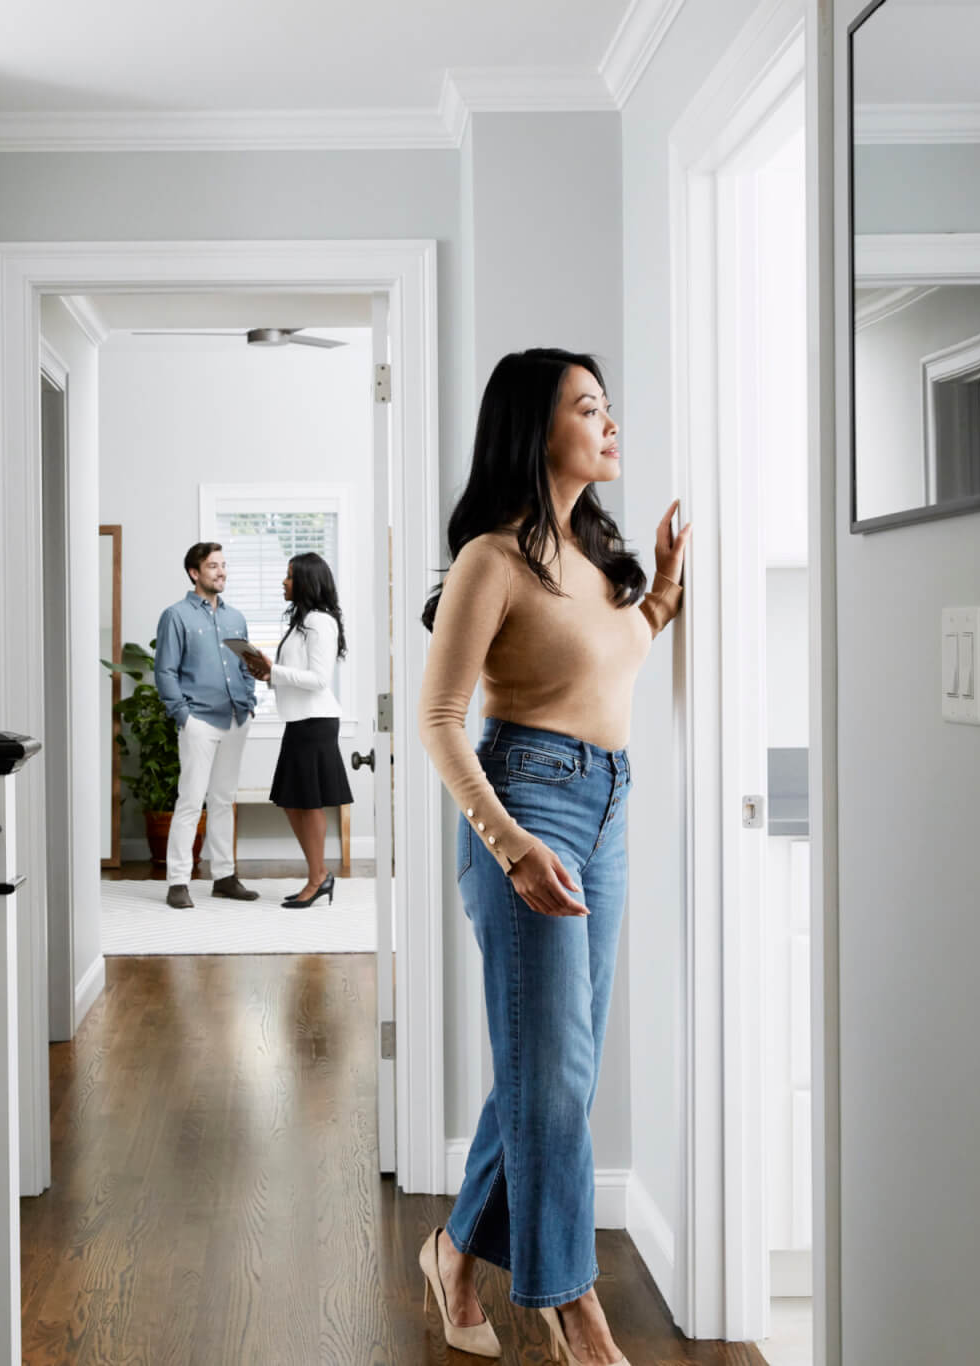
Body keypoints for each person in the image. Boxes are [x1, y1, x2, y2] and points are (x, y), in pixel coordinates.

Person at [413, 348, 689, 1365]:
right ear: (536, 431)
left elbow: (617, 650)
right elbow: (439, 718)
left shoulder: (590, 554)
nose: (610, 423)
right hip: (523, 801)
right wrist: (511, 841)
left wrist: (659, 588)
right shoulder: (492, 559)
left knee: (553, 1066)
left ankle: (451, 1249)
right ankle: (572, 1310)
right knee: (552, 1071)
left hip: (608, 808)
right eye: (588, 408)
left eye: (608, 406)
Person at [152, 542, 262, 909]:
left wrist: (248, 701)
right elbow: (165, 671)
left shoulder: (235, 619)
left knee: (223, 800)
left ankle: (224, 877)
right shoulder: (176, 616)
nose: (221, 572)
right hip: (198, 719)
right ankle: (178, 882)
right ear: (194, 573)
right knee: (190, 800)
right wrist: (183, 715)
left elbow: (248, 665)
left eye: (224, 565)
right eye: (213, 566)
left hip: (235, 718)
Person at [242, 552, 354, 908]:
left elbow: (319, 680)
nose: (283, 582)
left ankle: (317, 877)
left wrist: (273, 671)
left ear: (306, 581)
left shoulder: (320, 621)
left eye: (289, 576)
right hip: (299, 721)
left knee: (308, 803)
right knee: (293, 802)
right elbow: (295, 676)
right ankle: (318, 874)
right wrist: (267, 673)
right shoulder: (303, 622)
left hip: (315, 722)